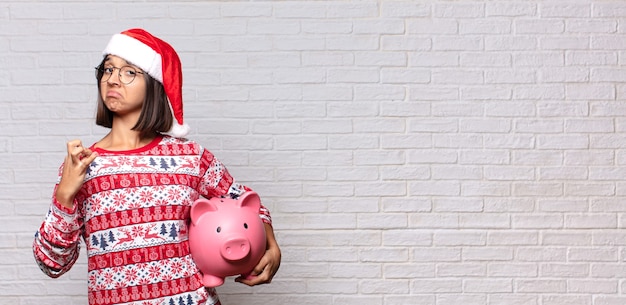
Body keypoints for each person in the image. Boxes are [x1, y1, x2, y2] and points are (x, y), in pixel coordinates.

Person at [32, 28, 281, 305]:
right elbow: (52, 264)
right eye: (107, 69)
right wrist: (64, 196)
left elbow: (246, 202)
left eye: (128, 72)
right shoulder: (84, 165)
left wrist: (272, 245)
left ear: (154, 83)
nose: (112, 79)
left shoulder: (190, 157)